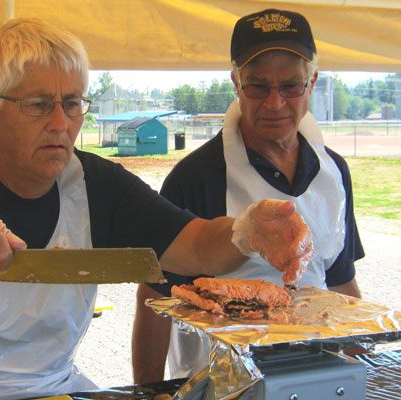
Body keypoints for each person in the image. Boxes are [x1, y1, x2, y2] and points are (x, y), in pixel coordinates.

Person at [0, 18, 312, 400]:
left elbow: (198, 246)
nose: (62, 123)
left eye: (73, 103)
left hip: (52, 388)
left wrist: (244, 232)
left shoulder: (99, 185)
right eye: (39, 104)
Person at [132, 8, 364, 384]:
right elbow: (154, 296)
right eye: (257, 86)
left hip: (316, 372)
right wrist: (150, 389)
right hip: (219, 381)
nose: (275, 103)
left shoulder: (334, 173)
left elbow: (338, 279)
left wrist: (361, 364)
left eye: (291, 85)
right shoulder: (196, 177)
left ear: (312, 82)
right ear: (235, 83)